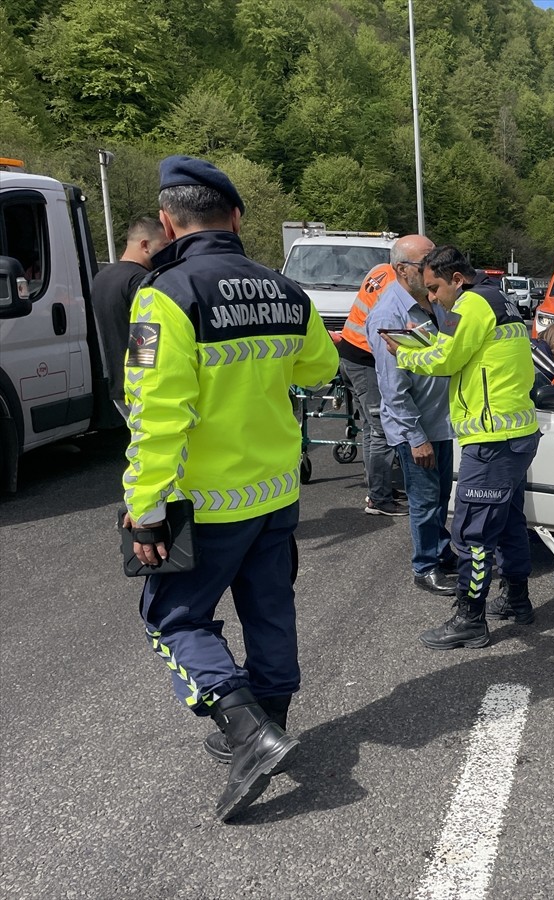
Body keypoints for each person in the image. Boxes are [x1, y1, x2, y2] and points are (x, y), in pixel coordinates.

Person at [120, 155, 339, 822]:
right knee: (269, 607)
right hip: (274, 495)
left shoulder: (164, 296)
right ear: (237, 217)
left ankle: (247, 730)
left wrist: (146, 510)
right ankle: (270, 716)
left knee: (172, 618)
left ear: (167, 222)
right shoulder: (285, 291)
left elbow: (155, 413)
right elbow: (320, 367)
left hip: (205, 503)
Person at [384, 246, 539, 649]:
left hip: (491, 440)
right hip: (516, 435)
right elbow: (464, 350)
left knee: (471, 532)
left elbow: (447, 359)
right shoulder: (497, 296)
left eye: (435, 288)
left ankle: (469, 619)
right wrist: (426, 343)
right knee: (507, 521)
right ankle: (517, 601)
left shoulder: (471, 304)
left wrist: (404, 353)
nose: (431, 297)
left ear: (457, 279)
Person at [365, 234, 458, 596]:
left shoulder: (431, 302)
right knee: (423, 499)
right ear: (403, 270)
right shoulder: (390, 314)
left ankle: (440, 549)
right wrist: (415, 437)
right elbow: (392, 386)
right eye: (426, 263)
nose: (433, 268)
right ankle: (426, 566)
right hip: (417, 428)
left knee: (439, 496)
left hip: (440, 421)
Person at [337, 252, 406, 517]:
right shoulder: (395, 285)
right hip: (365, 357)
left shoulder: (380, 269)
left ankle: (378, 485)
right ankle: (378, 498)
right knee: (381, 429)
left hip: (350, 352)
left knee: (369, 426)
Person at [92, 216, 168, 414]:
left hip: (118, 385)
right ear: (145, 245)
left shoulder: (101, 278)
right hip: (143, 387)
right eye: (164, 245)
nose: (168, 251)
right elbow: (149, 336)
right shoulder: (142, 281)